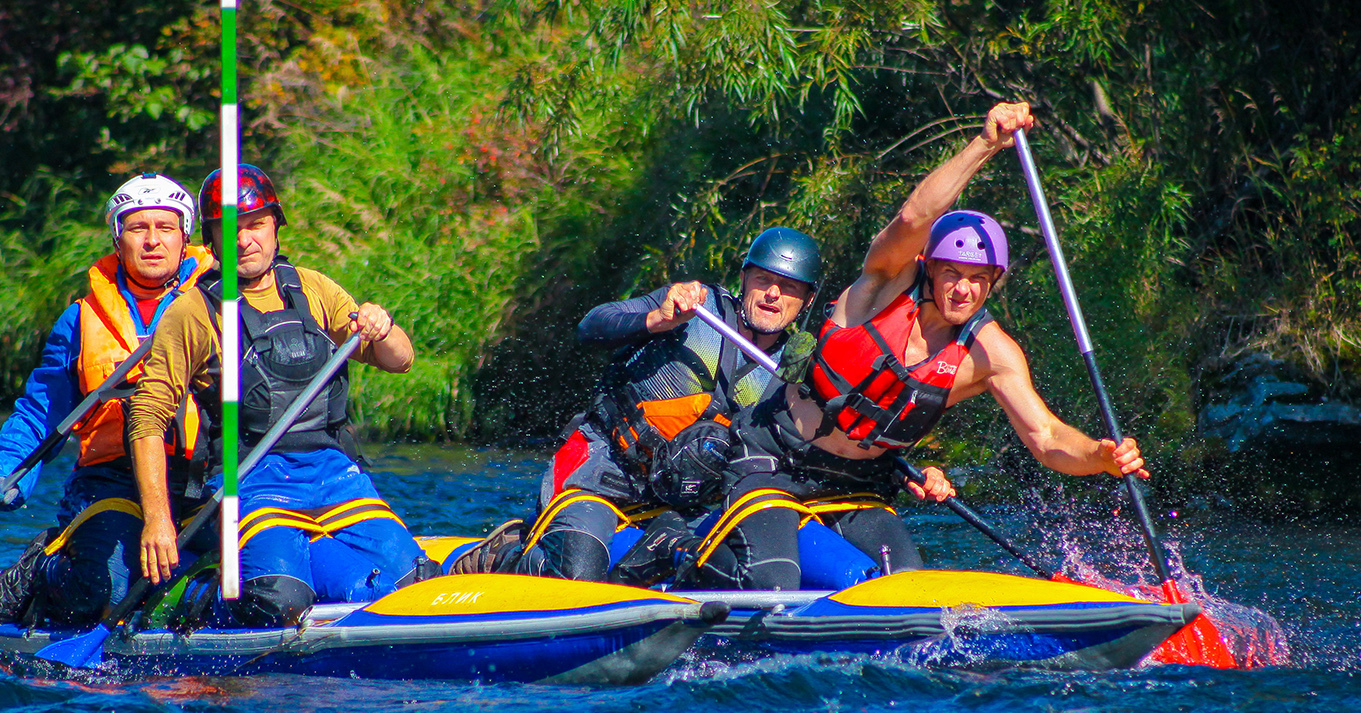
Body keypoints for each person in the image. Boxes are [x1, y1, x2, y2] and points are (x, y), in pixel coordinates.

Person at [682, 102, 1147, 590]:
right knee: (774, 584)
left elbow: (1048, 439)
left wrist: (1099, 455)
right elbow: (913, 217)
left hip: (856, 487)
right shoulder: (882, 286)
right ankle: (695, 563)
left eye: (977, 279)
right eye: (952, 273)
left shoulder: (992, 355)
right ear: (929, 268)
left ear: (994, 283)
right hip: (773, 461)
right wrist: (986, 144)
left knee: (906, 585)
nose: (963, 290)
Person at [123, 163, 424, 627]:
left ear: (275, 228)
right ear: (210, 239)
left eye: (255, 225)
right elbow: (146, 417)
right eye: (229, 229)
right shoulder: (193, 311)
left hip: (334, 475)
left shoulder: (313, 288)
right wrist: (158, 519)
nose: (243, 240)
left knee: (411, 582)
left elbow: (400, 358)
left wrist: (380, 328)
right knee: (277, 602)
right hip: (250, 484)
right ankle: (199, 587)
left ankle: (320, 573)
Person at [453, 227, 822, 583]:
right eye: (763, 279)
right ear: (744, 280)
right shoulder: (696, 306)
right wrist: (657, 320)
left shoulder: (790, 374)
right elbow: (591, 326)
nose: (773, 293)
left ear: (806, 300)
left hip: (683, 502)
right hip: (601, 469)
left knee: (727, 565)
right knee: (578, 575)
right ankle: (504, 553)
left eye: (788, 287)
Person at [0, 173, 213, 627]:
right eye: (138, 229)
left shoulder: (219, 303)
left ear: (186, 237)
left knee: (249, 571)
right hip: (110, 481)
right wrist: (3, 472)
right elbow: (41, 411)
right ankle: (40, 569)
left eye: (166, 228)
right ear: (117, 239)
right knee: (107, 589)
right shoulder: (80, 320)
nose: (152, 241)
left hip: (200, 479)